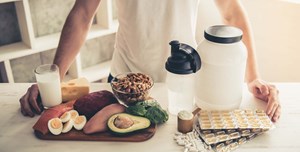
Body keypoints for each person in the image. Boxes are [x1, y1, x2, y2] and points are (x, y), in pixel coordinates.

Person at [19, 0, 281, 122]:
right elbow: (83, 13)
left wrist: (253, 77)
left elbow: (232, 13)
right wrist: (53, 78)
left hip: (183, 84)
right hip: (124, 83)